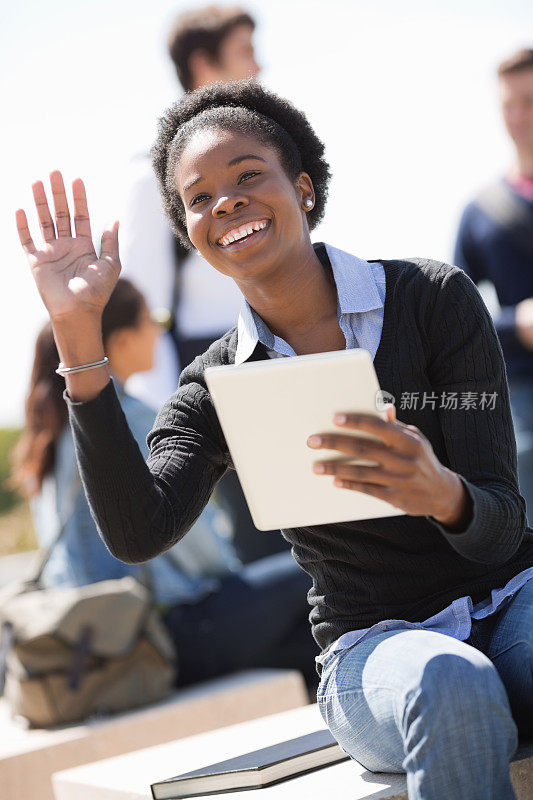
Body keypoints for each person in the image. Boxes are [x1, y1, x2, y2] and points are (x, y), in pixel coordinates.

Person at [16, 78, 533, 799]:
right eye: (197, 199)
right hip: (373, 653)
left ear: (303, 188)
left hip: (508, 601)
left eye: (247, 176)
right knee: (450, 679)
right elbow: (139, 532)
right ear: (191, 235)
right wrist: (78, 335)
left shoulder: (432, 300)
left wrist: (442, 495)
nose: (222, 201)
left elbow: (502, 527)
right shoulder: (211, 387)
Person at [10, 276, 317, 689]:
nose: (159, 331)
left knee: (307, 646)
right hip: (163, 629)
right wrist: (235, 574)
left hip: (110, 632)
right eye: (152, 319)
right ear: (119, 341)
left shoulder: (54, 430)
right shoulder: (124, 418)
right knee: (316, 570)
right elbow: (189, 541)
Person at [121, 5, 285, 563]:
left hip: (281, 362)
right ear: (202, 63)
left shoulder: (274, 161)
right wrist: (170, 425)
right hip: (216, 382)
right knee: (262, 548)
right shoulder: (152, 182)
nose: (259, 65)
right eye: (244, 52)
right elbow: (146, 312)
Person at [454, 48, 533, 526]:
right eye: (509, 104)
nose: (519, 116)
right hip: (523, 398)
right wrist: (517, 323)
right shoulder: (480, 212)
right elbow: (455, 320)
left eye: (529, 100)